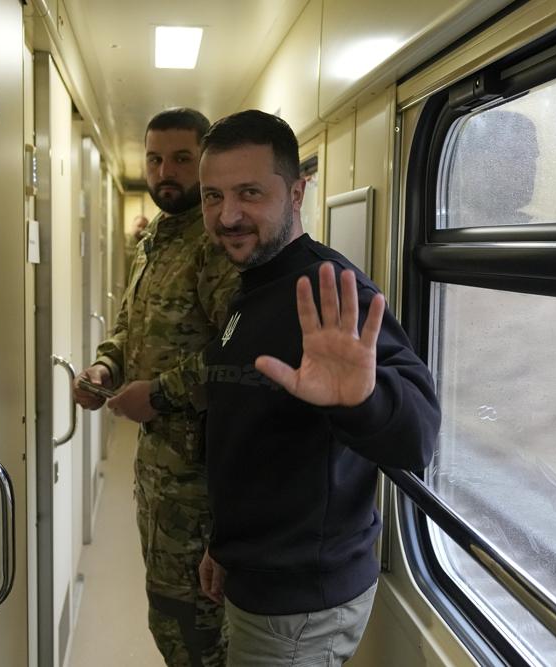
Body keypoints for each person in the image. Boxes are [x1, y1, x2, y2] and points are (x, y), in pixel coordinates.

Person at [195, 110, 440, 666]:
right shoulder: (255, 284)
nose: (227, 215)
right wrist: (225, 545)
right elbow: (251, 436)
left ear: (298, 191)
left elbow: (417, 437)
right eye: (212, 197)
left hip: (299, 607)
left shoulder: (329, 289)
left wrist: (363, 399)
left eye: (249, 193)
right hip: (260, 573)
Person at [73, 107, 239, 666]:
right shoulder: (152, 243)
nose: (165, 170)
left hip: (202, 488)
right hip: (157, 478)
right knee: (169, 620)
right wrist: (105, 369)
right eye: (155, 158)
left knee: (195, 633)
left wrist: (160, 393)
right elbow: (127, 329)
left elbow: (238, 358)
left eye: (181, 159)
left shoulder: (218, 247)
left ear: (205, 163)